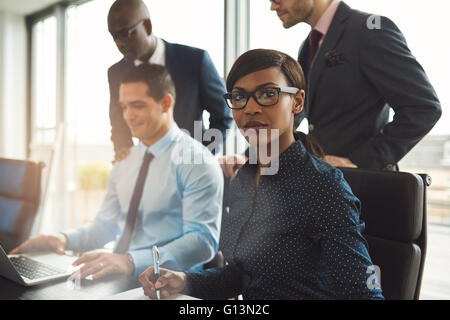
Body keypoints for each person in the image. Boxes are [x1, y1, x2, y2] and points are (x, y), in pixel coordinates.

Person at [138, 49, 384, 300]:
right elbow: (243, 276)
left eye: (268, 94)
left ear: (297, 102)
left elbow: (365, 295)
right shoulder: (243, 179)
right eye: (239, 97)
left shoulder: (323, 185)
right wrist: (184, 281)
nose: (251, 108)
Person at [10, 64, 224, 280]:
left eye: (137, 105)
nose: (128, 116)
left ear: (166, 103)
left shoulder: (197, 161)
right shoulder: (125, 162)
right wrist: (63, 239)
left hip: (167, 282)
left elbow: (202, 242)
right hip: (117, 274)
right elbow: (105, 226)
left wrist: (132, 260)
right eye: (124, 107)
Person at [266, 0, 441, 170]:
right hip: (329, 186)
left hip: (365, 187)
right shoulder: (308, 46)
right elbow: (295, 114)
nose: (273, 6)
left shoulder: (370, 30)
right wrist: (254, 156)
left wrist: (361, 161)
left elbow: (424, 108)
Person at [108, 0, 232, 162]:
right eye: (114, 36)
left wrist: (201, 156)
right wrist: (126, 154)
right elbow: (118, 120)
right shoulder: (116, 72)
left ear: (147, 26)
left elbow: (222, 114)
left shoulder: (195, 61)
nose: (119, 43)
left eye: (125, 33)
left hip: (190, 163)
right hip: (147, 167)